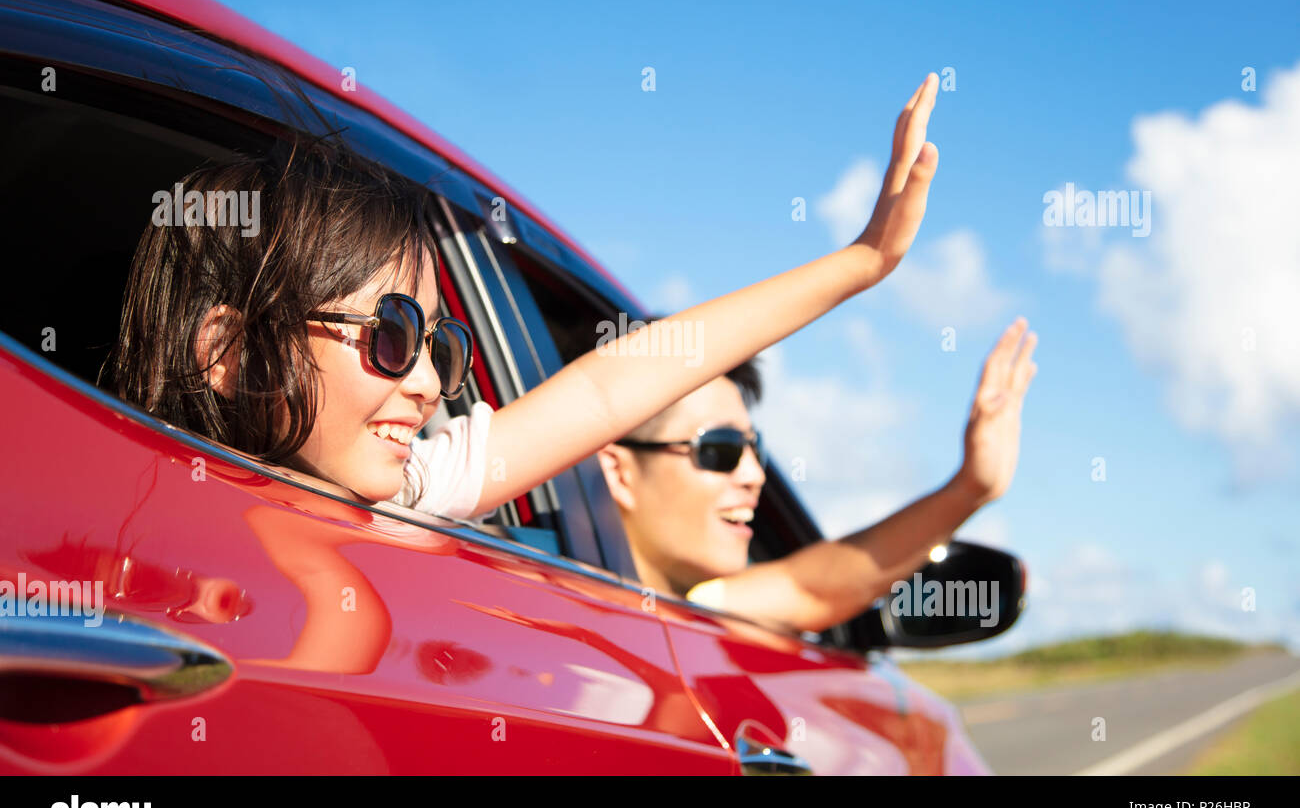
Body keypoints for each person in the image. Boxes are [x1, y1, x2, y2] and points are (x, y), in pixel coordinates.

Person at [104, 74, 943, 529]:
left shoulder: (407, 490)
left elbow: (613, 386)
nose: (433, 387)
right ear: (230, 352)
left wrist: (859, 265)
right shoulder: (127, 533)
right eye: (393, 335)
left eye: (441, 346)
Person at [595, 319, 1037, 633]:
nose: (753, 475)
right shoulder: (570, 606)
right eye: (720, 449)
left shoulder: (698, 604)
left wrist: (970, 489)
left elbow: (811, 588)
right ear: (618, 471)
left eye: (754, 448)